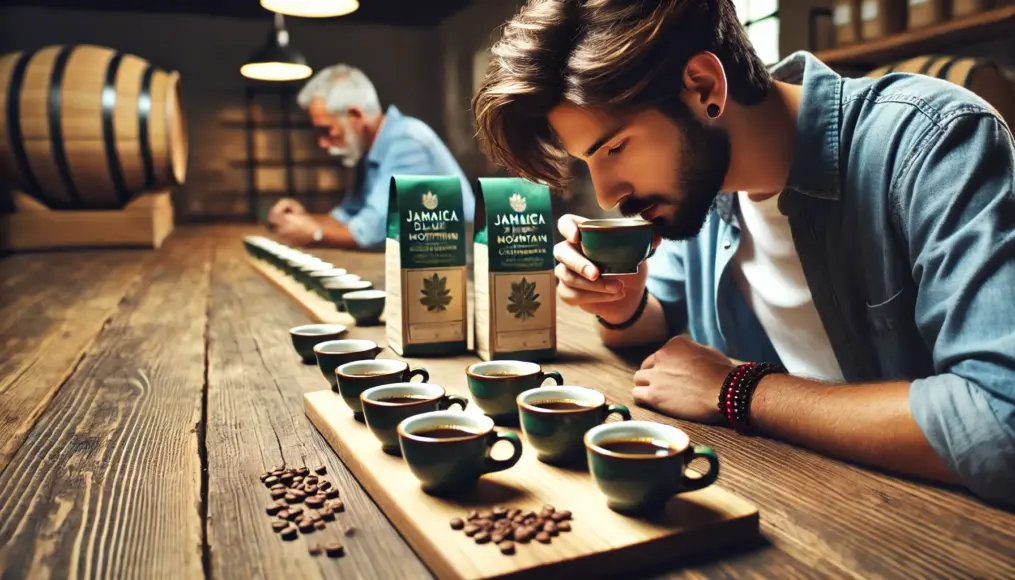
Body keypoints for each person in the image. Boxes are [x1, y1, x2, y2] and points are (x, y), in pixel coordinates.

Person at [472, 0, 1015, 506]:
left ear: (704, 86)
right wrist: (622, 304)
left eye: (614, 148)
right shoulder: (706, 186)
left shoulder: (932, 144)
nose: (609, 193)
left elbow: (998, 421)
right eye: (588, 161)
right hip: (770, 496)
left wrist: (737, 390)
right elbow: (661, 322)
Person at [268, 64, 475, 250]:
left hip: (461, 269)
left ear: (355, 115)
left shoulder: (408, 140)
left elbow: (371, 232)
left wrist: (315, 233)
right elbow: (347, 217)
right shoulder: (369, 151)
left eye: (326, 130)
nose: (322, 143)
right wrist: (301, 219)